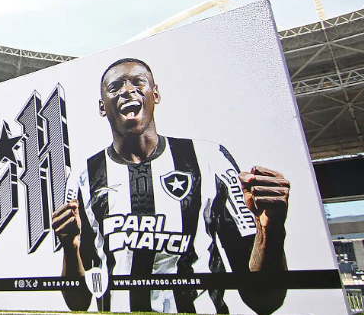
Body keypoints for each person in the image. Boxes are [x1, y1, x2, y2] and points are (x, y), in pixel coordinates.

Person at [52, 58, 289, 314]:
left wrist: (270, 230)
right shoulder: (83, 177)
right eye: (115, 86)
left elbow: (264, 299)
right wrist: (69, 247)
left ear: (155, 94)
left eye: (138, 82)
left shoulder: (211, 160)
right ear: (102, 107)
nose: (127, 90)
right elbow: (78, 302)